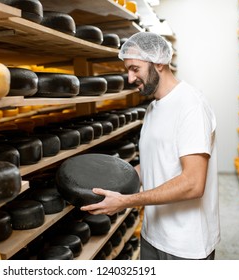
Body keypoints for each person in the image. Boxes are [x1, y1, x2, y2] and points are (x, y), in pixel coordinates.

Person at [81, 32, 220, 260]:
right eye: (127, 70)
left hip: (186, 244)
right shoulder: (153, 108)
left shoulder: (191, 106)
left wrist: (126, 202)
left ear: (159, 62)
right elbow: (153, 167)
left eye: (135, 68)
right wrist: (109, 186)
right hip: (153, 235)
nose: (129, 78)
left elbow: (193, 184)